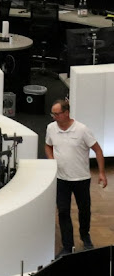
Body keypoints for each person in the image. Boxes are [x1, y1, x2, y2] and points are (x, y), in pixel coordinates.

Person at [45, 99, 107, 256]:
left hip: (81, 179)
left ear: (66, 113)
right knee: (63, 211)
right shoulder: (51, 128)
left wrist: (101, 173)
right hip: (61, 179)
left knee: (84, 210)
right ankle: (67, 246)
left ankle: (85, 236)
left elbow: (98, 150)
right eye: (53, 114)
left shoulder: (82, 130)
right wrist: (51, 159)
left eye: (57, 114)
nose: (54, 117)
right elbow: (48, 145)